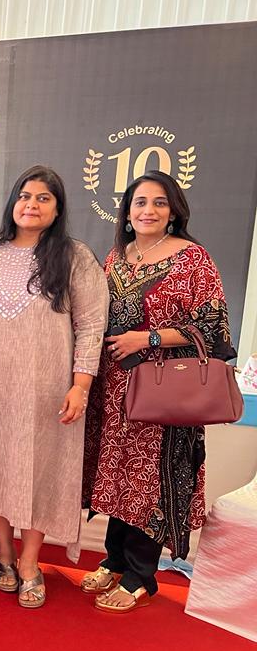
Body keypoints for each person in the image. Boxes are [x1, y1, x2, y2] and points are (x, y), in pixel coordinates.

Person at [0, 166, 107, 607]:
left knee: (38, 469)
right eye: (24, 196)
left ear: (57, 209)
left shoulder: (74, 256)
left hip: (47, 389)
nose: (31, 205)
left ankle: (30, 563)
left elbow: (91, 325)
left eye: (43, 198)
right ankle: (3, 554)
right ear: (12, 203)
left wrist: (80, 385)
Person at [82, 170, 236, 613]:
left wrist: (147, 338)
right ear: (127, 212)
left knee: (149, 480)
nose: (148, 210)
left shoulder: (193, 259)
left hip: (164, 391)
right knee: (118, 476)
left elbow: (213, 329)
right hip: (114, 390)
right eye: (140, 202)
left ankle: (140, 575)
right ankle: (114, 560)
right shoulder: (117, 256)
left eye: (159, 202)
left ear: (173, 212)